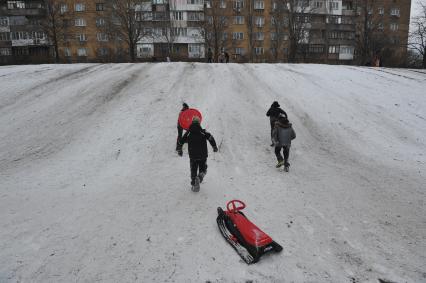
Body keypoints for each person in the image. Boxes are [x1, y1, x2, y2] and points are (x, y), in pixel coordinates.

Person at [179, 116, 218, 191]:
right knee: (203, 169)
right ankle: (200, 177)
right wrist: (214, 147)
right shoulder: (203, 131)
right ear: (199, 123)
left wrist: (180, 149)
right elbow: (211, 138)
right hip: (203, 155)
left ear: (192, 122)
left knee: (193, 170)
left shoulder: (188, 132)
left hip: (193, 156)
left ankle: (194, 184)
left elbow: (181, 141)